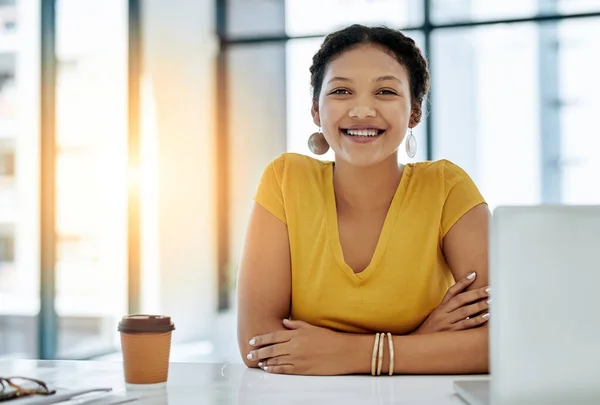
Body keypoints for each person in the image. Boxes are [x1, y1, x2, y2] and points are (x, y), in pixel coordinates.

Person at [236, 24, 490, 376]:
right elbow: (258, 343)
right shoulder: (285, 180)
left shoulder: (447, 188)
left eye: (385, 91)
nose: (362, 110)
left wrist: (353, 354)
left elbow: (500, 342)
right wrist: (421, 341)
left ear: (414, 111)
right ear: (316, 110)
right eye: (341, 91)